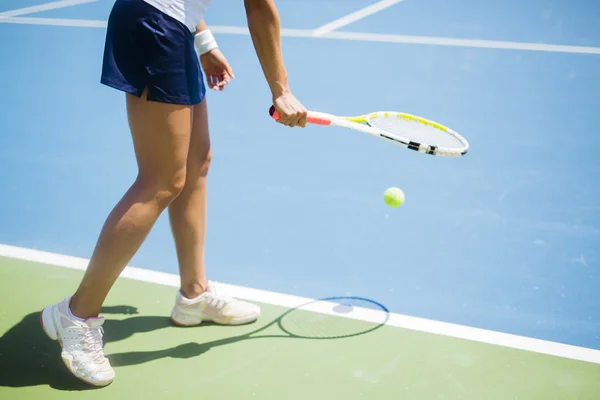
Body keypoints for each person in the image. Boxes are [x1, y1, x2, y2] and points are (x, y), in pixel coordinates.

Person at [39, 0, 308, 387]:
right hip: (154, 23)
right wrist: (281, 90)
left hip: (174, 25)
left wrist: (203, 40)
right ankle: (76, 315)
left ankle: (193, 295)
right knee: (160, 182)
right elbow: (259, 6)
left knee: (196, 163)